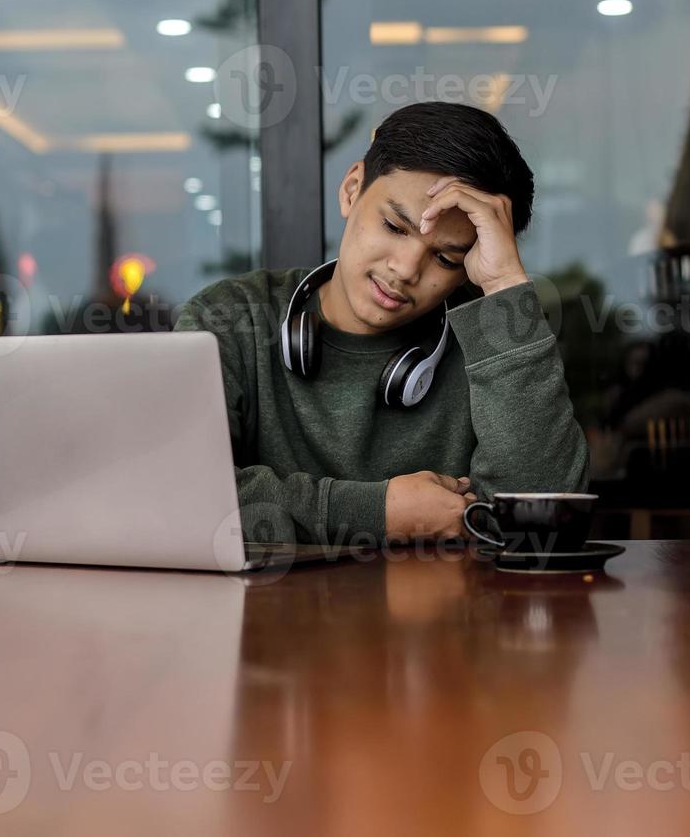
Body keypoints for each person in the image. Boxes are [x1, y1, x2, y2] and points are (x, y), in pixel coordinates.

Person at [171, 101, 590, 546]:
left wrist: (505, 285)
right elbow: (174, 494)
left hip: (445, 616)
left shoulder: (493, 340)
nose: (408, 268)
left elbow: (542, 522)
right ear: (352, 189)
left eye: (446, 258)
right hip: (257, 614)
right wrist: (379, 513)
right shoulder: (230, 320)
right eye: (394, 226)